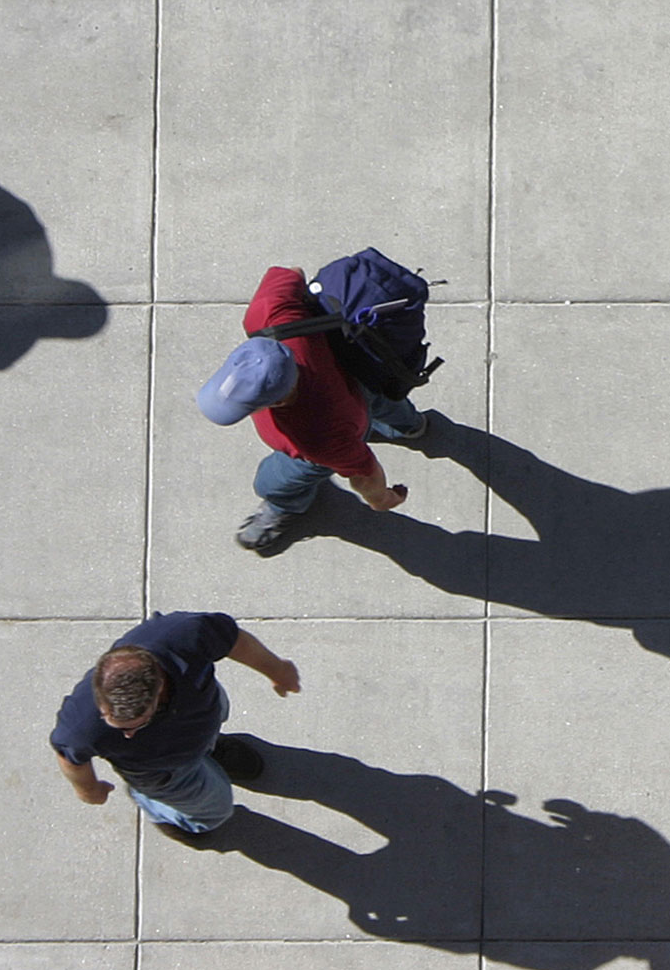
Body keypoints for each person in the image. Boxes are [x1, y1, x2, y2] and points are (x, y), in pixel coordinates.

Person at [202, 265, 425, 552]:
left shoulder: (318, 437)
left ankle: (284, 504)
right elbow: (291, 272)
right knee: (383, 400)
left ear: (279, 401)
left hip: (346, 422)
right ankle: (413, 427)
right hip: (358, 372)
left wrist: (380, 499)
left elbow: (364, 471)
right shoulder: (273, 314)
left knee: (273, 481)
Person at [49, 611, 300, 840]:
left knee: (216, 722)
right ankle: (164, 813)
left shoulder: (184, 635)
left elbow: (235, 641)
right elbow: (70, 757)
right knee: (216, 811)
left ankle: (210, 752)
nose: (128, 736)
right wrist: (88, 790)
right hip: (161, 771)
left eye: (136, 725)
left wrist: (278, 670)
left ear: (159, 690)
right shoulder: (80, 723)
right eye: (113, 723)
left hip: (204, 717)